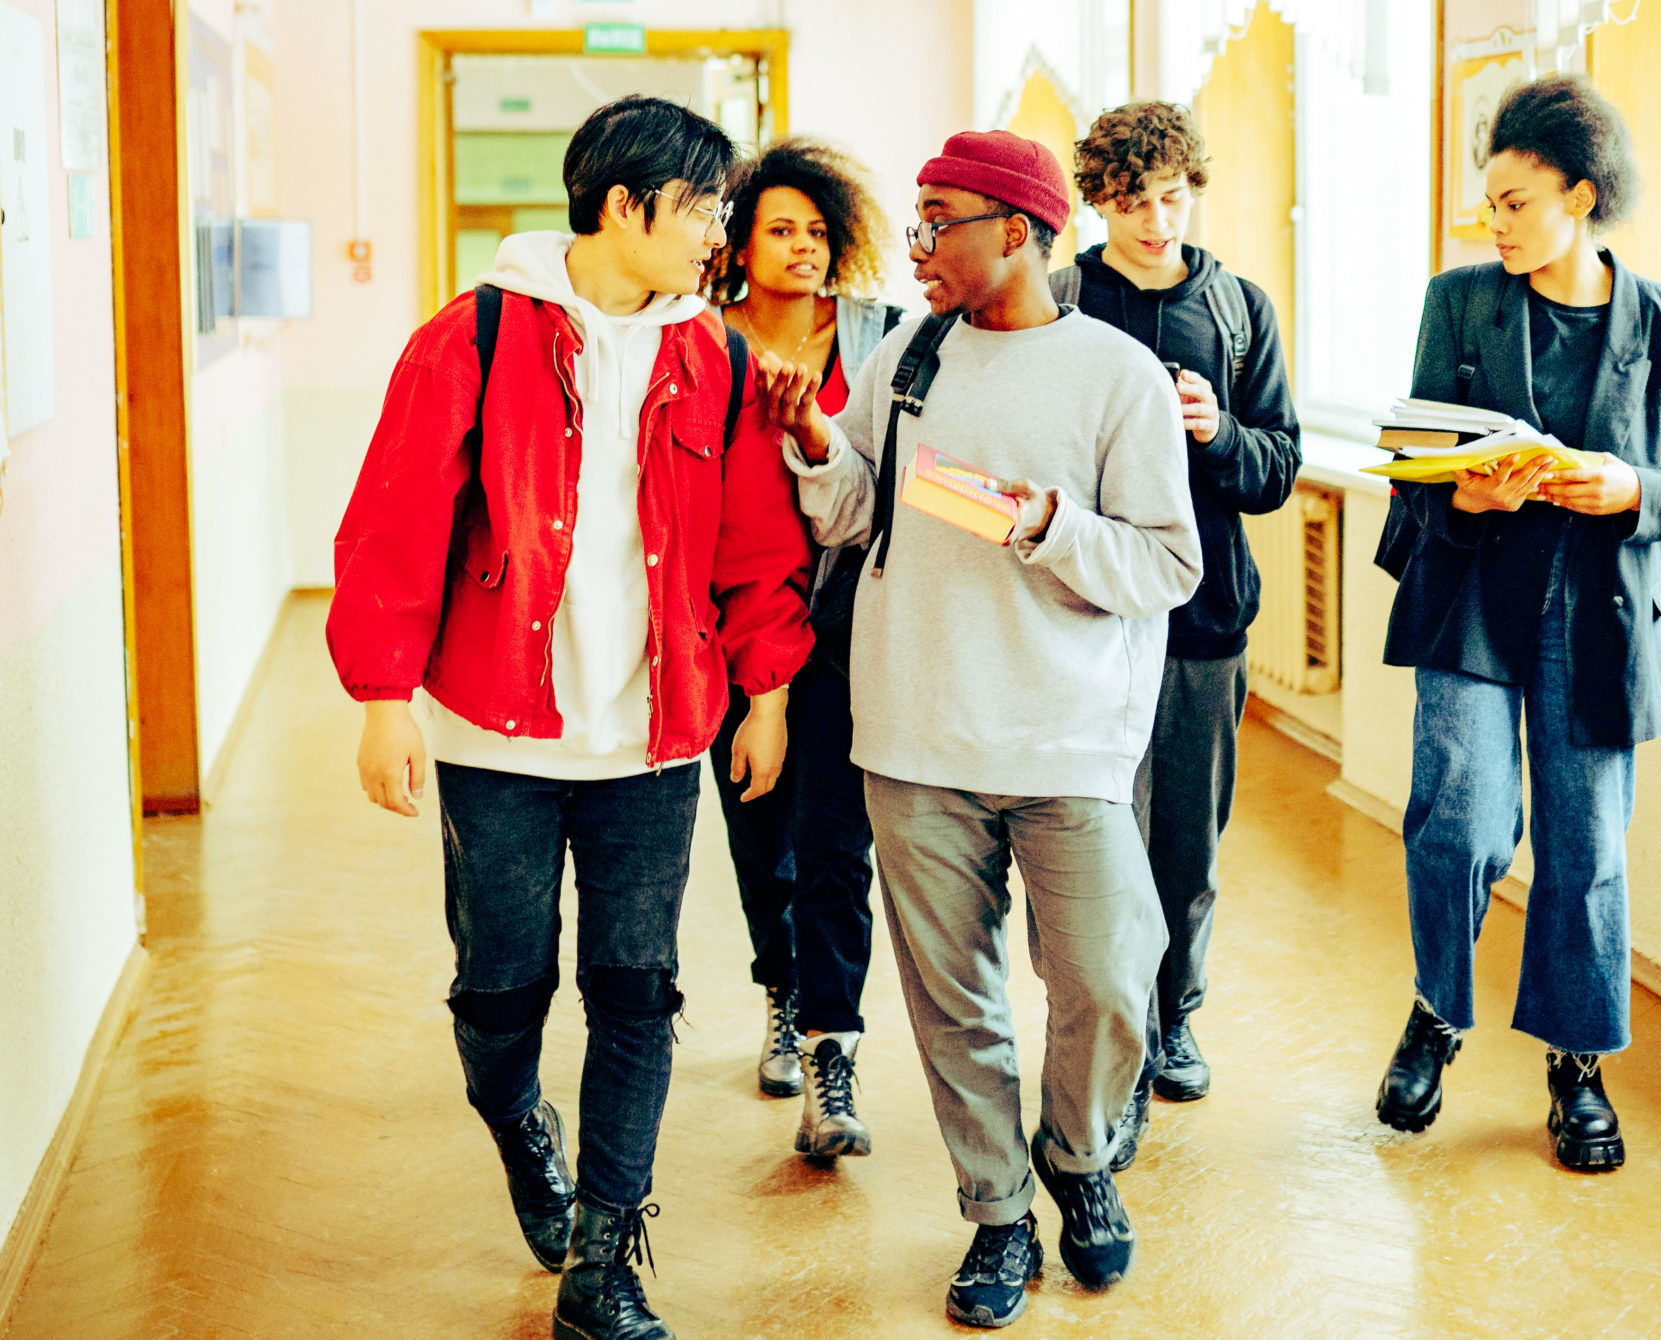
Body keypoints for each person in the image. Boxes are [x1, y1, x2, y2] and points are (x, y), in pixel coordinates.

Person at [327, 95, 813, 1340]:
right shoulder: (472, 338)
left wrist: (764, 692)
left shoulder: (712, 359)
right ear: (624, 204)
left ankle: (606, 1251)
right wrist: (383, 698)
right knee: (501, 992)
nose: (719, 234)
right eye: (704, 207)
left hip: (653, 736)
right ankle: (519, 1123)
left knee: (635, 988)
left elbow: (756, 542)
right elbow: (394, 526)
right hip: (495, 732)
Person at [755, 130, 1200, 1329]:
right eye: (916, 222)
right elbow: (854, 510)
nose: (918, 247)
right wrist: (809, 443)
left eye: (939, 221)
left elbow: (1166, 562)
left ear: (1017, 229)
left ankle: (1075, 1154)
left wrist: (1046, 522)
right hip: (916, 734)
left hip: (1067, 739)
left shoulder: (1119, 376)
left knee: (1110, 981)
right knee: (953, 998)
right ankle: (999, 1210)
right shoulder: (910, 355)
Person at [1371, 73, 1661, 1173]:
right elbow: (1414, 451)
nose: (1497, 222)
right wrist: (1460, 491)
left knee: (1585, 851)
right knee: (1462, 821)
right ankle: (1439, 1006)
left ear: (1581, 195)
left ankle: (1576, 1063)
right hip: (1475, 596)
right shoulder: (1459, 299)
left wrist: (1625, 486)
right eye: (1489, 203)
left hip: (1604, 614)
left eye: (1516, 201)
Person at [1058, 101, 1300, 1141]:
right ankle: (1102, 1024)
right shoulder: (1061, 297)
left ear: (1193, 189)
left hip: (1202, 618)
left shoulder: (1240, 307)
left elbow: (1278, 466)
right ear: (1099, 201)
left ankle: (1174, 1015)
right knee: (1088, 832)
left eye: (1172, 195)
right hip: (1079, 616)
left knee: (1185, 843)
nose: (1156, 219)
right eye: (1131, 200)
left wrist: (1217, 430)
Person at [701, 137, 899, 1160]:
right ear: (739, 242)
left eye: (817, 233)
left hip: (849, 623)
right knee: (756, 829)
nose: (802, 249)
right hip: (729, 625)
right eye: (780, 230)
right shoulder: (702, 339)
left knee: (835, 842)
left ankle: (831, 1040)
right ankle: (778, 985)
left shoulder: (875, 335)